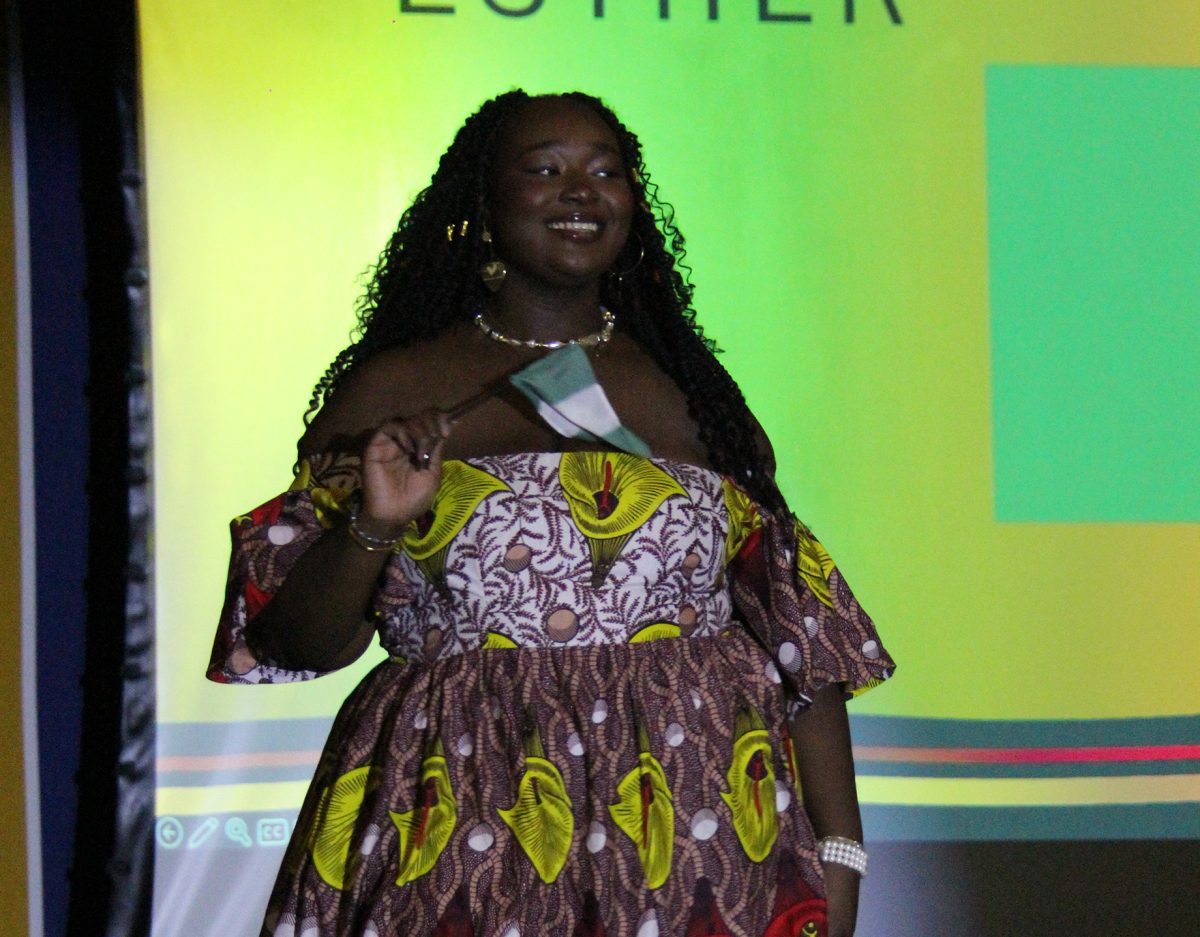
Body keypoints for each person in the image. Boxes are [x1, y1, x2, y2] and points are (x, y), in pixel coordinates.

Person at [209, 90, 894, 937]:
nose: (582, 190)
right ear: (486, 211)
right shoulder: (392, 390)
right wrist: (376, 523)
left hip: (697, 835)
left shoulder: (690, 391)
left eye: (606, 171)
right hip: (460, 826)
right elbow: (298, 643)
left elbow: (801, 644)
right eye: (545, 169)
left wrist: (839, 850)